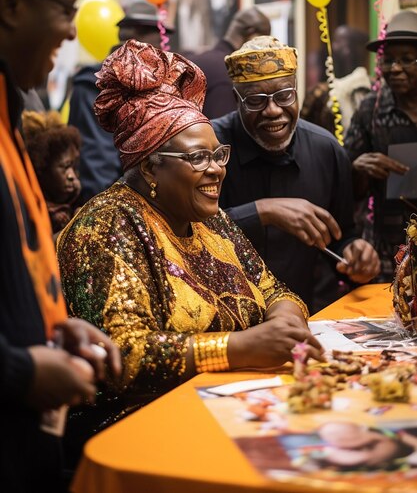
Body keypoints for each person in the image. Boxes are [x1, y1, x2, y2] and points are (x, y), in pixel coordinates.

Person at [57, 39, 324, 459]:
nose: (217, 168)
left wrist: (285, 320)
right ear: (149, 167)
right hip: (140, 436)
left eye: (218, 154)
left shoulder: (209, 218)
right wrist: (241, 347)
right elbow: (123, 355)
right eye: (199, 158)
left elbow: (274, 290)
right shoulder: (106, 226)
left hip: (228, 410)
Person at [0, 0, 121, 493]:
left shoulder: (14, 109)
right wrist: (20, 368)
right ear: (10, 2)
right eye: (65, 8)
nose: (75, 30)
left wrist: (54, 328)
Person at [212, 36, 380, 312]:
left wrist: (356, 255)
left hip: (305, 319)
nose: (273, 110)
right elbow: (185, 233)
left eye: (284, 95)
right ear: (236, 99)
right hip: (225, 324)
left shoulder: (326, 149)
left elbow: (341, 236)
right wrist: (263, 212)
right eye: (256, 100)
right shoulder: (209, 148)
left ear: (297, 91)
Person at [344, 10, 417, 282]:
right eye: (388, 61)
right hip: (388, 244)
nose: (395, 68)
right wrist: (357, 167)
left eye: (407, 60)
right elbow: (344, 185)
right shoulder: (370, 109)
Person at [68, 12, 169, 203]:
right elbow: (97, 162)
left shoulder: (150, 83)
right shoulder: (95, 85)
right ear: (133, 42)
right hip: (110, 207)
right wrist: (104, 213)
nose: (161, 56)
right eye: (157, 47)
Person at [191, 7, 271, 119]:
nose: (261, 51)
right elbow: (220, 131)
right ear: (250, 32)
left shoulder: (198, 60)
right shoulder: (230, 73)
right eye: (260, 43)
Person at [301, 26, 370, 134]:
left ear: (348, 49)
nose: (332, 47)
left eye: (337, 42)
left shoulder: (373, 89)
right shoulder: (319, 93)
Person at [21, 110, 81, 234]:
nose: (72, 176)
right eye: (64, 167)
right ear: (41, 169)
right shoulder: (33, 212)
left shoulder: (69, 203)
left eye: (73, 167)